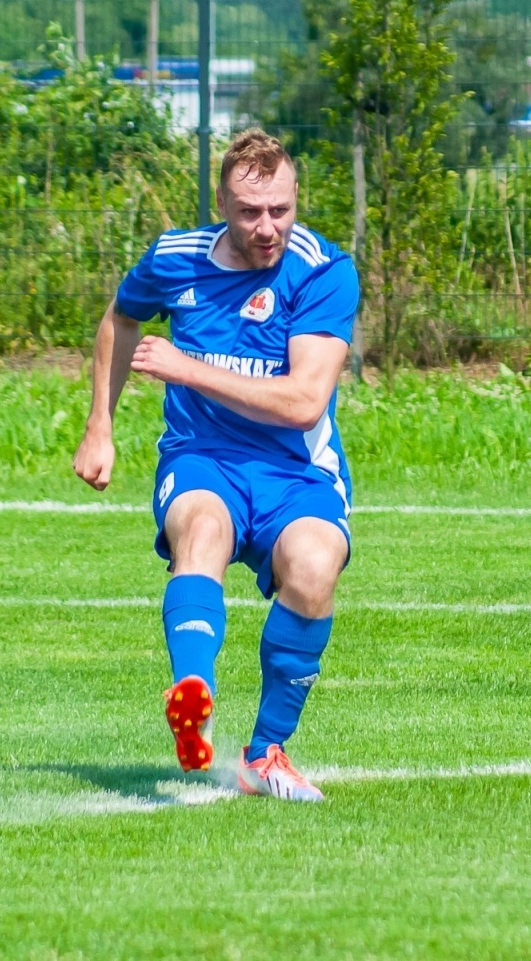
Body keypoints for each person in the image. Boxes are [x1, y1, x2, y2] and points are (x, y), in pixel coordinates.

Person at [72, 129, 359, 803]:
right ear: (222, 207)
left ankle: (265, 756)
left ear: (296, 201)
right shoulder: (174, 259)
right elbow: (121, 319)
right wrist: (99, 425)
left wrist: (185, 367)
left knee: (314, 569)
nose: (268, 228)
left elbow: (303, 402)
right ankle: (192, 694)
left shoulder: (322, 270)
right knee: (200, 533)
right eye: (250, 213)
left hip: (296, 469)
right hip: (203, 458)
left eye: (281, 211)